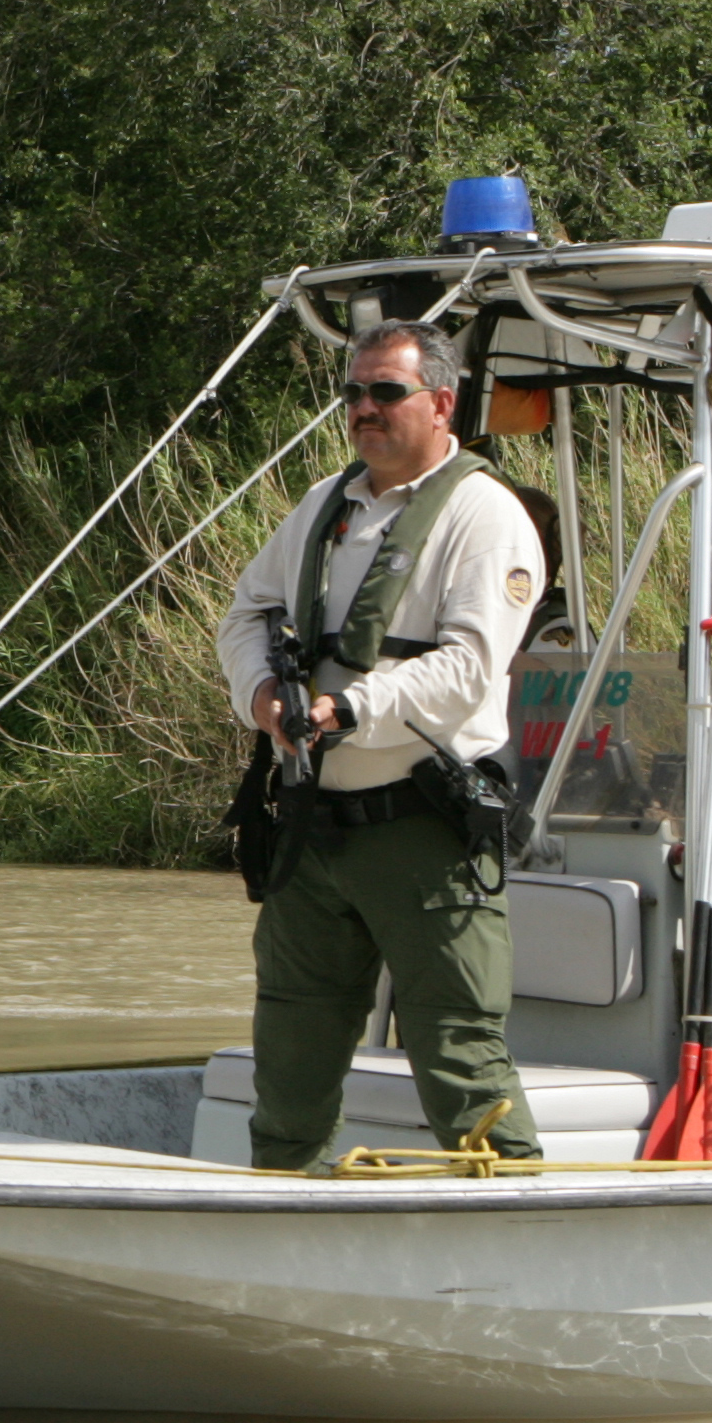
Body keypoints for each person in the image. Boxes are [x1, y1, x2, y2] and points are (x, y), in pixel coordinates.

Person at [214, 319, 555, 1170]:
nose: (364, 409)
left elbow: (471, 666)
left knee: (462, 1058)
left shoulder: (487, 517)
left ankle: (519, 1229)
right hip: (312, 830)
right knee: (288, 1059)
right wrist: (261, 695)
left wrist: (348, 708)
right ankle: (285, 1219)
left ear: (442, 403)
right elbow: (245, 613)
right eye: (353, 394)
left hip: (422, 833)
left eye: (386, 393)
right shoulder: (325, 504)